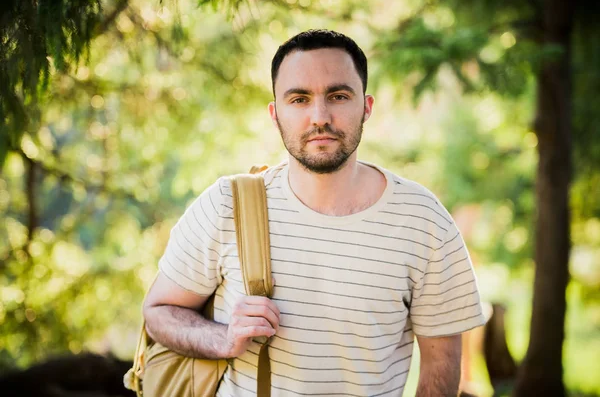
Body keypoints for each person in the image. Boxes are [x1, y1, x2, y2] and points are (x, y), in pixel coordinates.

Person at [143, 29, 486, 396]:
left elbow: (442, 363)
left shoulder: (422, 220)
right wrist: (222, 338)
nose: (319, 116)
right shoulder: (227, 205)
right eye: (299, 99)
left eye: (338, 96)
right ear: (276, 115)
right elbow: (159, 311)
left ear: (366, 107)